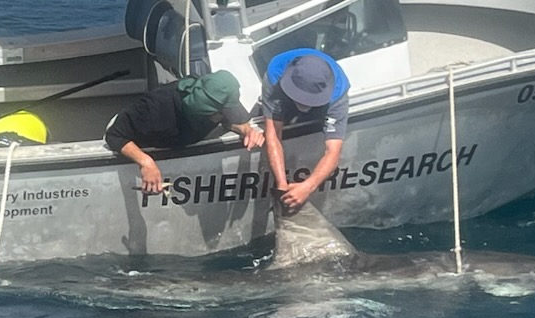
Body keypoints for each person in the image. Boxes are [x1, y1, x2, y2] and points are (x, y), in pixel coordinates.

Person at [105, 71, 264, 194]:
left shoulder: (214, 106)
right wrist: (146, 162)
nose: (223, 117)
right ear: (203, 110)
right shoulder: (153, 109)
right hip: (132, 136)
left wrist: (246, 130)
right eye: (222, 113)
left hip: (176, 142)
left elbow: (227, 121)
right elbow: (114, 135)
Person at [260, 48, 351, 214]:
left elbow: (333, 151)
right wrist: (281, 187)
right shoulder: (275, 73)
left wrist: (308, 187)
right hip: (282, 91)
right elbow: (273, 135)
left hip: (323, 105)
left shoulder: (338, 93)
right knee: (276, 120)